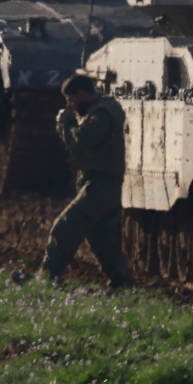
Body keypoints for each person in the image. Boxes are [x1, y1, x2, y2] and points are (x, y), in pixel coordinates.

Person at [37, 74, 133, 287]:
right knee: (101, 238)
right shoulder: (96, 111)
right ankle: (122, 284)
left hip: (101, 185)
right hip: (99, 183)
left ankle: (46, 279)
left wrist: (66, 124)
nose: (69, 106)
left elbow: (81, 140)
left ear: (82, 94)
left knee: (64, 228)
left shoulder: (103, 113)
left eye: (71, 100)